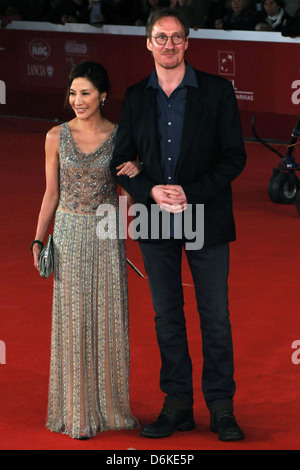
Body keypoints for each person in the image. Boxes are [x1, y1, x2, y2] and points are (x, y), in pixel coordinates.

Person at [110, 7, 247, 442]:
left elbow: (234, 157)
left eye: (176, 37)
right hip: (153, 215)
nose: (168, 45)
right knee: (167, 315)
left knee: (215, 316)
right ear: (148, 43)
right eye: (160, 37)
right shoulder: (136, 96)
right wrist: (150, 190)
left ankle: (221, 407)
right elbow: (121, 160)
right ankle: (178, 405)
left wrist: (191, 192)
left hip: (204, 214)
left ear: (187, 42)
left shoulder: (217, 91)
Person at [31, 61, 139, 440]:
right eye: (73, 93)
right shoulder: (54, 136)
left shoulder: (121, 136)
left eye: (86, 93)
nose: (77, 100)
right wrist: (38, 238)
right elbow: (51, 193)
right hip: (69, 234)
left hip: (107, 234)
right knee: (75, 320)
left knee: (108, 316)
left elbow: (128, 191)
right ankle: (76, 411)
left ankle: (109, 408)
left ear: (103, 96)